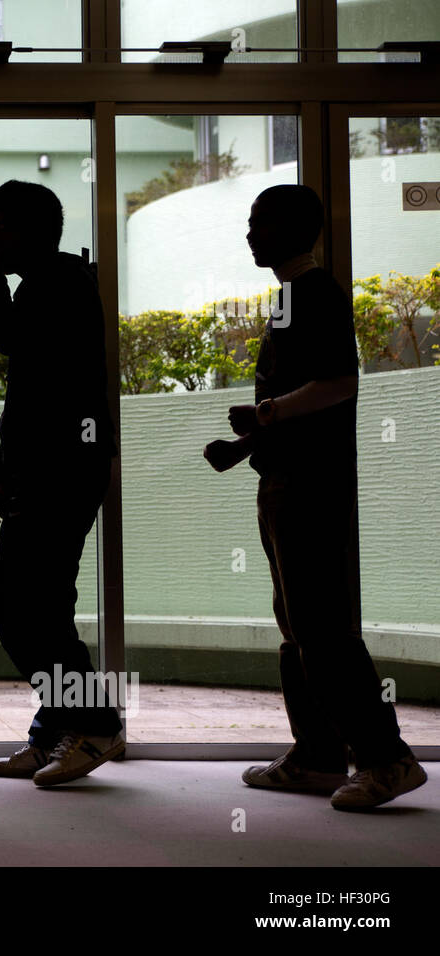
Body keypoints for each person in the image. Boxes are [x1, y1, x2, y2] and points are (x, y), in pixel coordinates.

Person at [204, 184, 426, 811]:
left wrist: (265, 414)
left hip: (308, 488)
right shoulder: (291, 298)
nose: (251, 234)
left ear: (296, 230)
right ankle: (319, 754)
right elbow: (307, 405)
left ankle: (386, 759)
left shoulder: (312, 294)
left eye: (261, 223)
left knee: (321, 629)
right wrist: (245, 444)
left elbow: (337, 384)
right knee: (300, 626)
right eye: (249, 224)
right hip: (286, 481)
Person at [0, 180, 124, 787]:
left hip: (63, 471)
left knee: (37, 615)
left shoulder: (60, 282)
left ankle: (95, 725)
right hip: (44, 468)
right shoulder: (48, 283)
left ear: (32, 232)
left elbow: (16, 344)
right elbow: (29, 392)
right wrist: (2, 471)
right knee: (28, 612)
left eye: (1, 226)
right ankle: (59, 729)